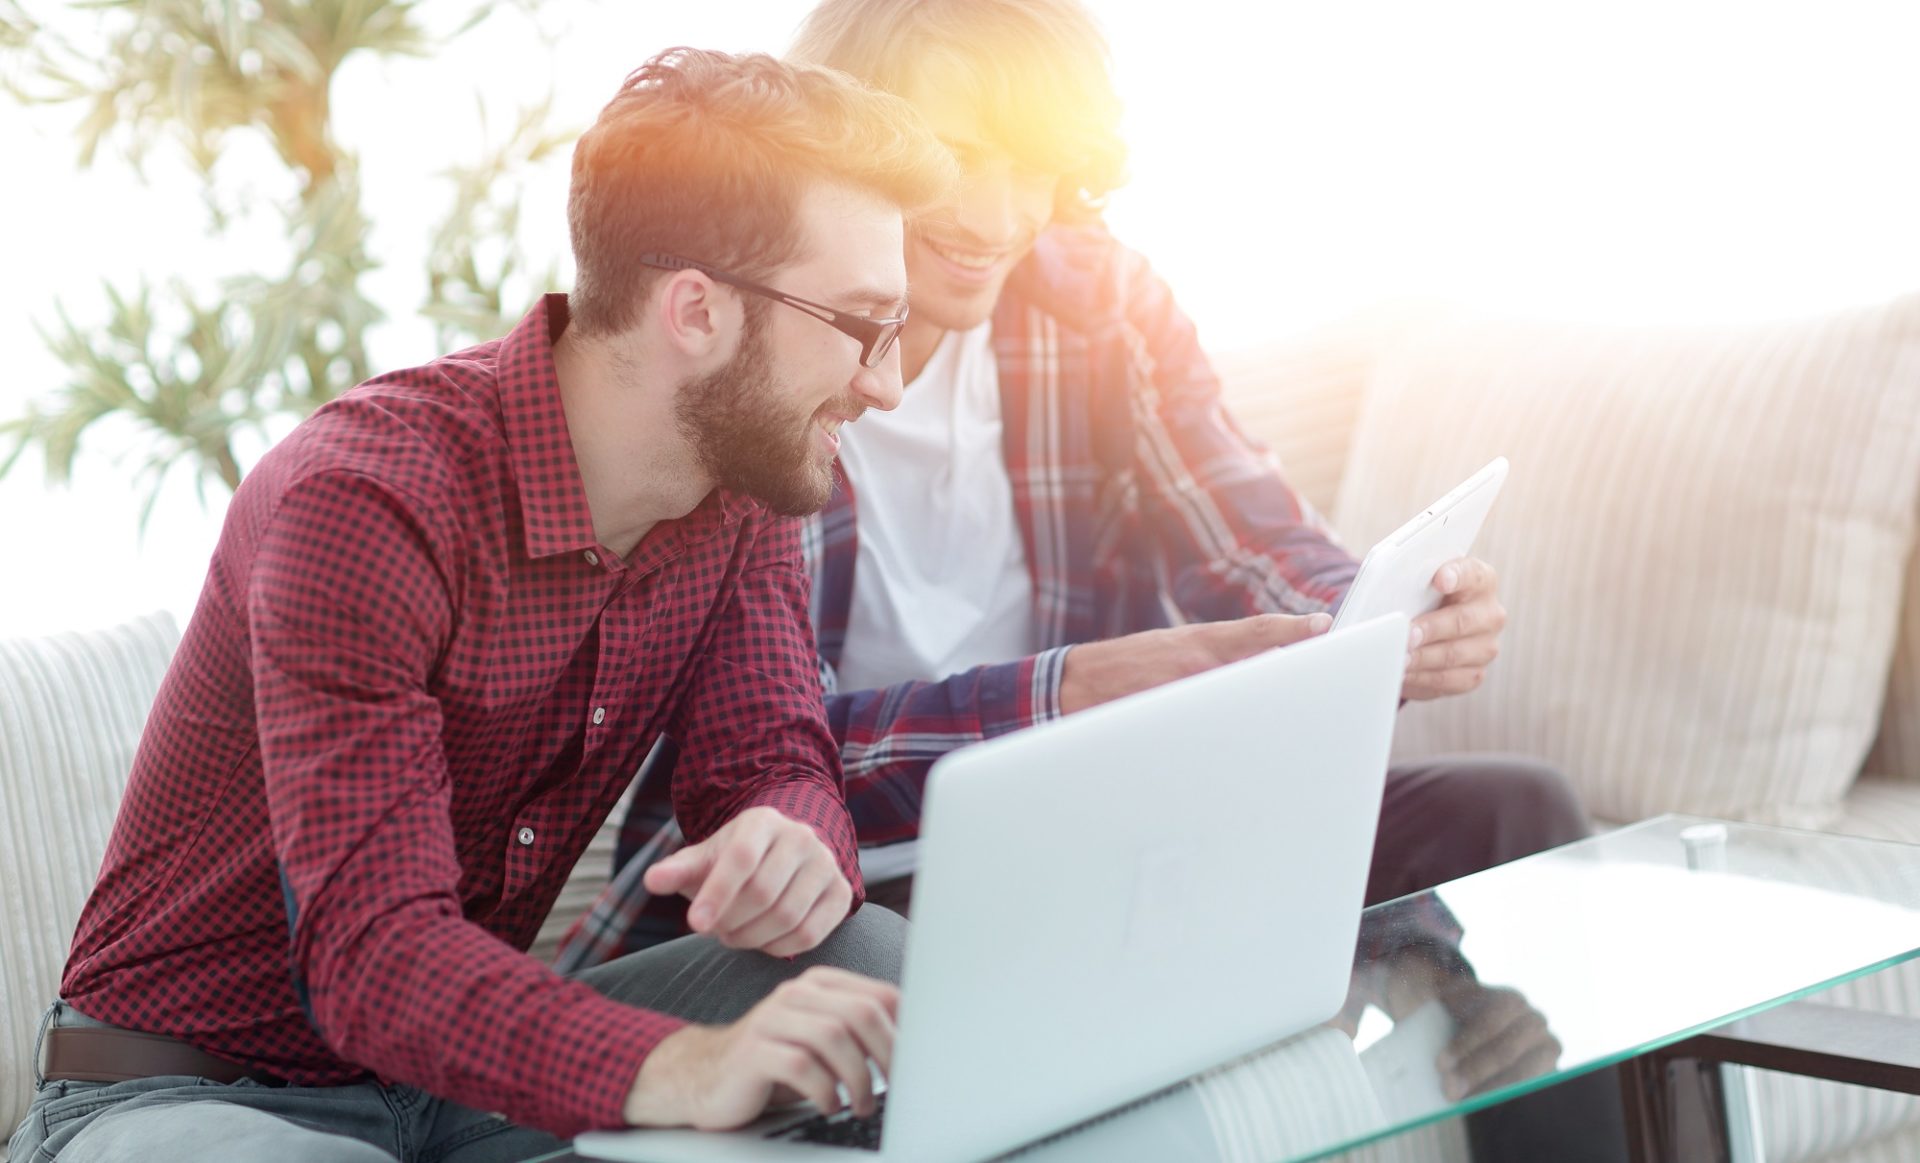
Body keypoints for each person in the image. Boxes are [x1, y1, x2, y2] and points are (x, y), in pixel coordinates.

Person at [9, 46, 959, 1163]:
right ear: (695, 310)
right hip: (185, 1100)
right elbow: (371, 954)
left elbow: (771, 757)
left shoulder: (741, 491)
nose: (885, 383)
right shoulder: (366, 501)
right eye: (860, 324)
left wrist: (790, 833)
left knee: (873, 967)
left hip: (454, 1088)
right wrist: (678, 1067)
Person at [565, 0, 1590, 968]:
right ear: (849, 150)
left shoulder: (1096, 301)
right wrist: (1072, 698)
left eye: (1037, 164)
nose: (997, 215)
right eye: (954, 157)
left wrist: (1381, 620)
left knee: (1514, 812)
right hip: (835, 881)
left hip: (1096, 833)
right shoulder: (751, 356)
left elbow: (1247, 534)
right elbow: (761, 750)